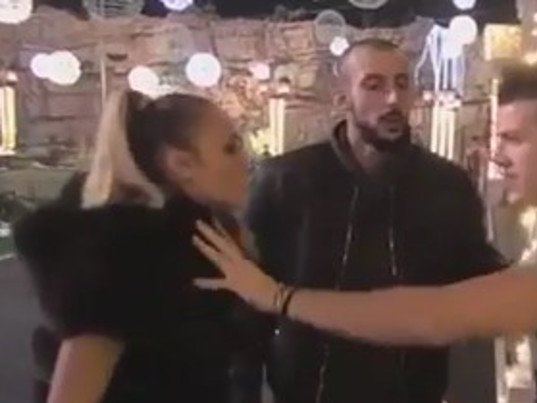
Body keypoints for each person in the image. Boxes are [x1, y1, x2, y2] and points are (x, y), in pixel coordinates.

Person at [206, 38, 507, 403]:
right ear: (342, 97)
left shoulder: (446, 184)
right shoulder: (286, 180)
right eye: (374, 85)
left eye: (402, 84)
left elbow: (478, 280)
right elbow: (251, 305)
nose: (393, 99)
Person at [14, 90, 253, 403]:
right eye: (230, 148)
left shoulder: (194, 241)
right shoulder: (127, 255)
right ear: (182, 164)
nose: (246, 160)